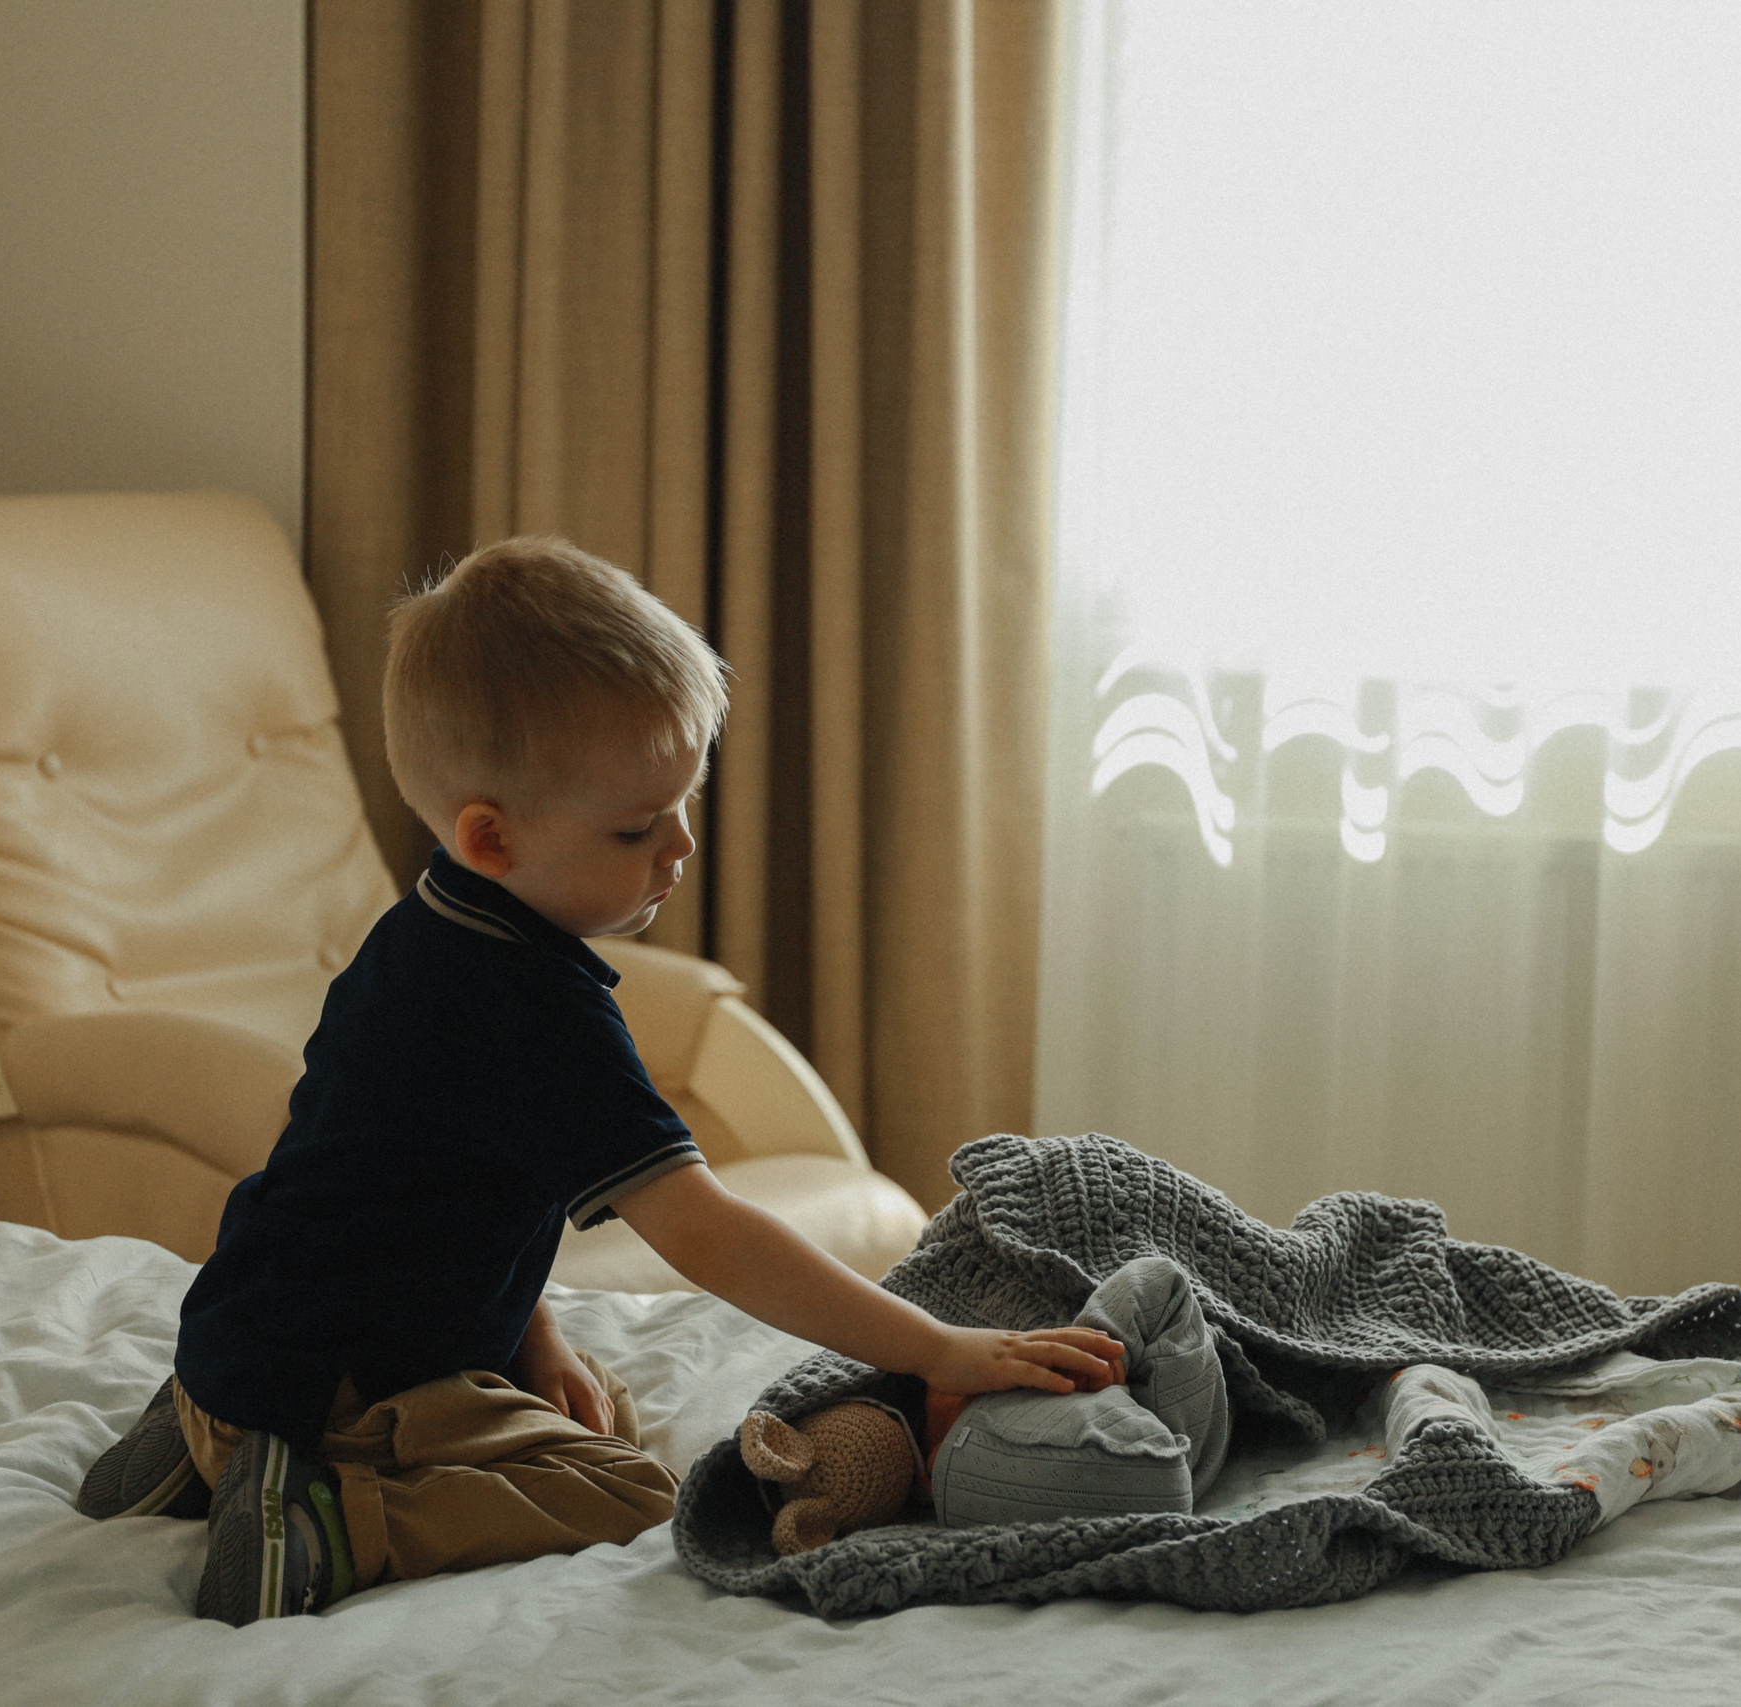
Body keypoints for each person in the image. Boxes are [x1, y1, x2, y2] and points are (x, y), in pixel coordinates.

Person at [76, 536, 1123, 1625]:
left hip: (240, 1331)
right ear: (491, 837)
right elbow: (707, 1231)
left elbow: (418, 1187)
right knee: (628, 1486)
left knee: (597, 1399)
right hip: (349, 1392)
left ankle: (204, 1441)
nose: (681, 846)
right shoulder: (538, 1009)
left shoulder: (416, 935)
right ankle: (330, 1520)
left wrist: (529, 1332)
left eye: (684, 803)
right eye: (635, 827)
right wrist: (940, 1345)